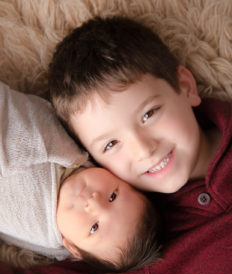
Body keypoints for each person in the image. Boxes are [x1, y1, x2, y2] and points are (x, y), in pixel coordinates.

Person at [48, 16, 231, 235]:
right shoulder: (129, 240)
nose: (144, 150)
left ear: (185, 87)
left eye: (148, 114)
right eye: (111, 144)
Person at [0, 80, 161, 273]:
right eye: (113, 196)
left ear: (72, 248)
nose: (94, 203)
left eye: (94, 227)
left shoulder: (41, 228)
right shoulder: (77, 150)